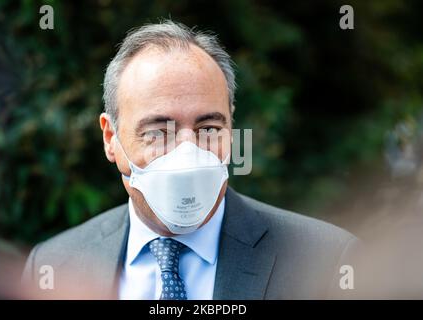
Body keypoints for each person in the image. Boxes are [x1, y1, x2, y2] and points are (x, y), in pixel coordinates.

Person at [22, 20, 359, 300]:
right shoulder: (53, 265)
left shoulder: (326, 263)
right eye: (158, 131)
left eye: (208, 127)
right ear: (111, 139)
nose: (188, 151)